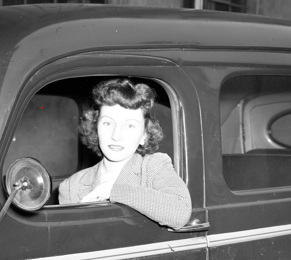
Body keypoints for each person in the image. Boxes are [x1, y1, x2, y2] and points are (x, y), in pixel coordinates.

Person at [58, 79, 192, 229]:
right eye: (108, 123)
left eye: (130, 125)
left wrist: (112, 190)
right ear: (95, 128)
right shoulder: (72, 187)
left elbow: (181, 212)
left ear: (144, 135)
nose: (116, 135)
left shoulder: (153, 167)